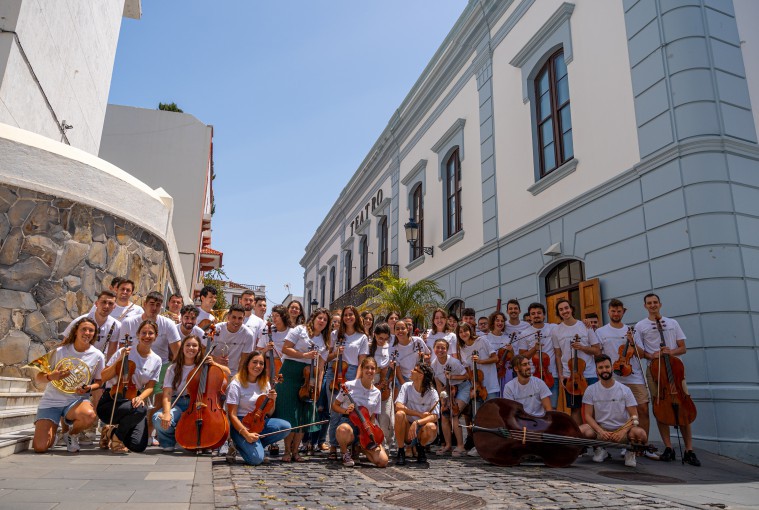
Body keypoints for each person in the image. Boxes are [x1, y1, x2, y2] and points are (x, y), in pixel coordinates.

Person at [636, 293, 700, 466]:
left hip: (675, 369)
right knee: (659, 405)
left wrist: (669, 352)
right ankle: (669, 447)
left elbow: (683, 348)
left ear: (660, 304)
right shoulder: (641, 326)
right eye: (649, 303)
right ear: (645, 306)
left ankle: (689, 450)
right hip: (654, 370)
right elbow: (640, 353)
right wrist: (653, 355)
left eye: (655, 302)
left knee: (684, 405)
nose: (652, 305)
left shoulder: (672, 323)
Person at [32, 318, 105, 453]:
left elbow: (99, 382)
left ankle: (72, 434)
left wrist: (89, 388)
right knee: (40, 447)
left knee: (89, 415)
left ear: (94, 334)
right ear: (76, 331)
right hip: (51, 401)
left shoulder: (98, 355)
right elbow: (38, 377)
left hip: (75, 401)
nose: (87, 333)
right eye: (84, 329)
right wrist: (50, 376)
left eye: (91, 330)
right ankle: (52, 431)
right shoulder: (59, 351)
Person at [61, 290, 121, 444]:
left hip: (97, 365)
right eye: (103, 302)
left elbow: (112, 352)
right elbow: (65, 344)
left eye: (110, 303)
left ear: (114, 306)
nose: (106, 306)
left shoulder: (115, 325)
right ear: (96, 304)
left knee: (98, 396)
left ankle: (89, 430)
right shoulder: (81, 320)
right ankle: (65, 431)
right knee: (68, 396)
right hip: (77, 364)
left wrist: (106, 374)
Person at [153, 335, 230, 451]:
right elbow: (167, 394)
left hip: (200, 403)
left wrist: (215, 364)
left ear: (199, 349)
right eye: (188, 345)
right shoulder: (173, 368)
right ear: (182, 348)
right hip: (178, 403)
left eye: (194, 345)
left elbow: (227, 372)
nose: (191, 348)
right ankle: (168, 441)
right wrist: (167, 413)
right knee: (157, 418)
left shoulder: (205, 366)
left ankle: (200, 439)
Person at [98, 320, 162, 453]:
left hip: (133, 399)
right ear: (138, 334)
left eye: (151, 333)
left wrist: (141, 397)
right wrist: (119, 360)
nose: (147, 336)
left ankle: (110, 432)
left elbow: (150, 386)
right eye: (143, 332)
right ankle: (117, 440)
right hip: (112, 400)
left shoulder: (156, 360)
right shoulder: (124, 351)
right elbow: (103, 377)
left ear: (156, 336)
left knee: (138, 445)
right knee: (140, 410)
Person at [594, 299, 651, 447]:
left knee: (643, 409)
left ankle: (642, 445)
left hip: (634, 376)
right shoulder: (601, 332)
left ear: (623, 312)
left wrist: (632, 342)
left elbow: (642, 354)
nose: (616, 313)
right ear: (608, 312)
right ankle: (612, 443)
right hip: (612, 378)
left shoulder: (632, 331)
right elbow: (598, 354)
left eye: (619, 311)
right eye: (613, 311)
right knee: (610, 412)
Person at [280, 307, 330, 461]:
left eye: (325, 320)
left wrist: (318, 386)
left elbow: (321, 366)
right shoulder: (299, 330)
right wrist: (304, 355)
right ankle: (287, 451)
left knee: (303, 415)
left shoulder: (324, 341)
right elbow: (285, 348)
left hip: (310, 377)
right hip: (291, 371)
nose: (322, 321)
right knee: (290, 414)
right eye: (320, 318)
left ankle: (296, 452)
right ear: (313, 318)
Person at [580, 355, 647, 467]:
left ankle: (630, 452)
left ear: (611, 368)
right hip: (602, 430)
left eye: (607, 367)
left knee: (641, 434)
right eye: (600, 368)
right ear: (596, 370)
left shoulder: (625, 390)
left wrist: (622, 431)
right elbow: (588, 416)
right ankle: (600, 449)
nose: (604, 370)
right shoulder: (591, 389)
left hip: (622, 430)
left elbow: (634, 416)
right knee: (581, 431)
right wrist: (600, 431)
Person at [226, 351, 291, 466]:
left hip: (259, 422)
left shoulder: (264, 383)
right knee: (256, 459)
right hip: (241, 424)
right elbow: (232, 415)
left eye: (261, 363)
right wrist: (246, 434)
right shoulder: (236, 384)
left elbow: (269, 413)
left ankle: (256, 444)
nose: (258, 366)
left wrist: (273, 400)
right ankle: (237, 444)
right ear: (247, 364)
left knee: (285, 427)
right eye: (254, 362)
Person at [326, 306, 369, 459]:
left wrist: (357, 381)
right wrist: (336, 353)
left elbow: (361, 361)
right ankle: (333, 446)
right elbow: (328, 357)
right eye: (345, 315)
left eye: (351, 315)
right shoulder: (335, 334)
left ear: (356, 317)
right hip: (335, 371)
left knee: (351, 410)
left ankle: (352, 445)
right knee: (335, 410)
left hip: (352, 372)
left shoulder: (362, 337)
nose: (348, 317)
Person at [332, 357, 389, 468]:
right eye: (367, 368)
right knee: (342, 429)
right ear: (362, 369)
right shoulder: (349, 385)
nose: (369, 371)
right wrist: (346, 410)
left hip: (366, 426)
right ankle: (345, 453)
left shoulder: (377, 392)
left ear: (376, 371)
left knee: (382, 461)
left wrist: (371, 432)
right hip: (349, 422)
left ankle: (360, 447)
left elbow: (372, 417)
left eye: (372, 368)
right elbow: (335, 405)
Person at [552, 298, 601, 425]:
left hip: (589, 374)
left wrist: (583, 348)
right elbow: (558, 355)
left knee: (593, 409)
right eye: (561, 309)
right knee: (575, 409)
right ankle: (579, 441)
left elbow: (597, 350)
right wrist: (561, 374)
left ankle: (597, 441)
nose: (564, 311)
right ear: (559, 313)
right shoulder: (556, 330)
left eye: (566, 308)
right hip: (570, 376)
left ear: (571, 309)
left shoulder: (585, 326)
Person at [456, 321, 498, 457]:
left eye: (465, 331)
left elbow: (495, 358)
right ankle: (479, 445)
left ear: (470, 331)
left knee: (492, 416)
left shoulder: (482, 341)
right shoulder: (462, 348)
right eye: (460, 332)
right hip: (477, 386)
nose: (463, 334)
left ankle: (494, 445)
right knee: (477, 417)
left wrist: (480, 361)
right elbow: (468, 370)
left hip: (490, 385)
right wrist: (473, 386)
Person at [394, 363, 439, 465]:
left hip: (421, 429)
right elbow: (398, 406)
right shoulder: (406, 386)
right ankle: (401, 450)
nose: (411, 371)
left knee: (431, 426)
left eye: (414, 370)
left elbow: (435, 416)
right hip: (407, 428)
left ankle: (421, 447)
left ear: (421, 375)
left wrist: (418, 422)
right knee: (400, 414)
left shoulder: (432, 392)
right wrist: (418, 414)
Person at [430, 338, 468, 456]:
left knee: (454, 413)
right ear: (434, 349)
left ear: (447, 350)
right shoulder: (434, 364)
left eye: (443, 348)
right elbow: (437, 381)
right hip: (448, 389)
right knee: (445, 415)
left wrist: (452, 377)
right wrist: (442, 397)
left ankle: (460, 446)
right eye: (438, 347)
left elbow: (466, 376)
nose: (440, 350)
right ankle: (447, 445)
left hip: (462, 387)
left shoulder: (454, 362)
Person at [519, 302, 560, 409]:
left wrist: (585, 322)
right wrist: (534, 349)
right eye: (533, 314)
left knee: (552, 407)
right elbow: (522, 357)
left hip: (551, 375)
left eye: (539, 313)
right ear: (530, 316)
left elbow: (568, 325)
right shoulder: (525, 334)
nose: (536, 315)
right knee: (535, 408)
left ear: (544, 315)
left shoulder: (553, 328)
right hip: (533, 375)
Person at [368, 323, 394, 448]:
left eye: (385, 338)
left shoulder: (391, 348)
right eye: (380, 338)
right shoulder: (369, 348)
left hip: (385, 383)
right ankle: (374, 441)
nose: (383, 341)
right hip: (371, 382)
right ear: (375, 335)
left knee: (386, 416)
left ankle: (386, 443)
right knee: (370, 415)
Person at [391, 319, 430, 390]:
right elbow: (398, 369)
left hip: (420, 377)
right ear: (394, 331)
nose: (400, 331)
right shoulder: (394, 349)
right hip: (405, 379)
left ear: (407, 330)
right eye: (397, 329)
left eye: (403, 328)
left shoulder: (418, 341)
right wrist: (404, 385)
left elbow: (428, 355)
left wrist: (423, 356)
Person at [484, 311, 512, 394]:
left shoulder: (507, 338)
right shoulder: (486, 338)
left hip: (505, 371)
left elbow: (511, 357)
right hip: (491, 370)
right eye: (497, 320)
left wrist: (511, 350)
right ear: (492, 322)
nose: (500, 323)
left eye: (502, 321)